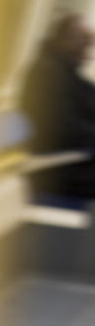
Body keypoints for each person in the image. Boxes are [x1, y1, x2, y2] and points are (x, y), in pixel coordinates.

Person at [20, 13, 95, 198]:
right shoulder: (46, 72)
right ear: (65, 38)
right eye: (83, 41)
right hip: (55, 162)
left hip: (74, 153)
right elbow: (61, 126)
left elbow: (88, 96)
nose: (87, 48)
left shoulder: (66, 68)